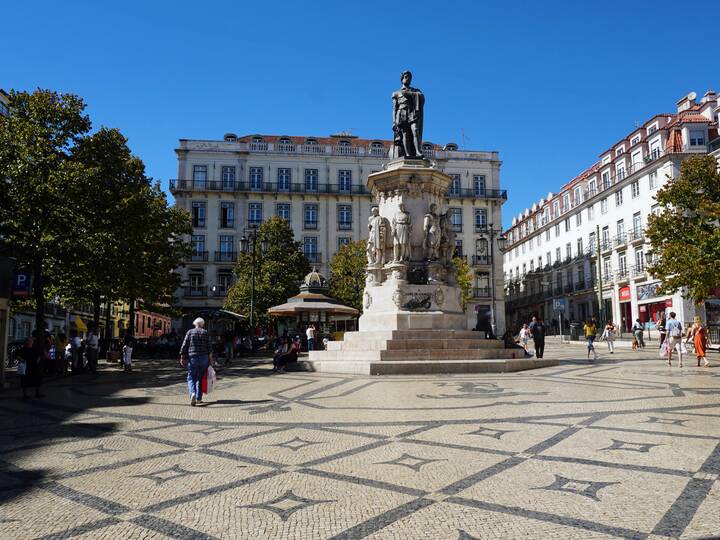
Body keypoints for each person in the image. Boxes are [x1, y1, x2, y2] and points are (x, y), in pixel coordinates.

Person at [180, 318, 213, 406]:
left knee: (191, 377)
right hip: (204, 358)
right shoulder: (205, 332)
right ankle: (199, 398)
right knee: (201, 378)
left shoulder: (190, 332)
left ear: (195, 324)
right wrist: (211, 360)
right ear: (202, 324)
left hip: (193, 357)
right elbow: (209, 348)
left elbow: (184, 345)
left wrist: (182, 357)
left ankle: (192, 393)